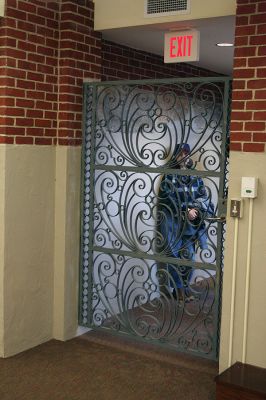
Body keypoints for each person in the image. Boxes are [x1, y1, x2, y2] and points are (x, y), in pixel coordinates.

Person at [156, 143, 214, 302]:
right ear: (176, 156)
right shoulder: (169, 175)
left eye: (186, 153)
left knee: (189, 258)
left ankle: (185, 286)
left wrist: (195, 209)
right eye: (180, 154)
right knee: (174, 256)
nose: (184, 156)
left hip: (190, 225)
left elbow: (202, 196)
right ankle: (179, 290)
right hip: (172, 223)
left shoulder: (195, 175)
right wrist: (185, 210)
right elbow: (167, 198)